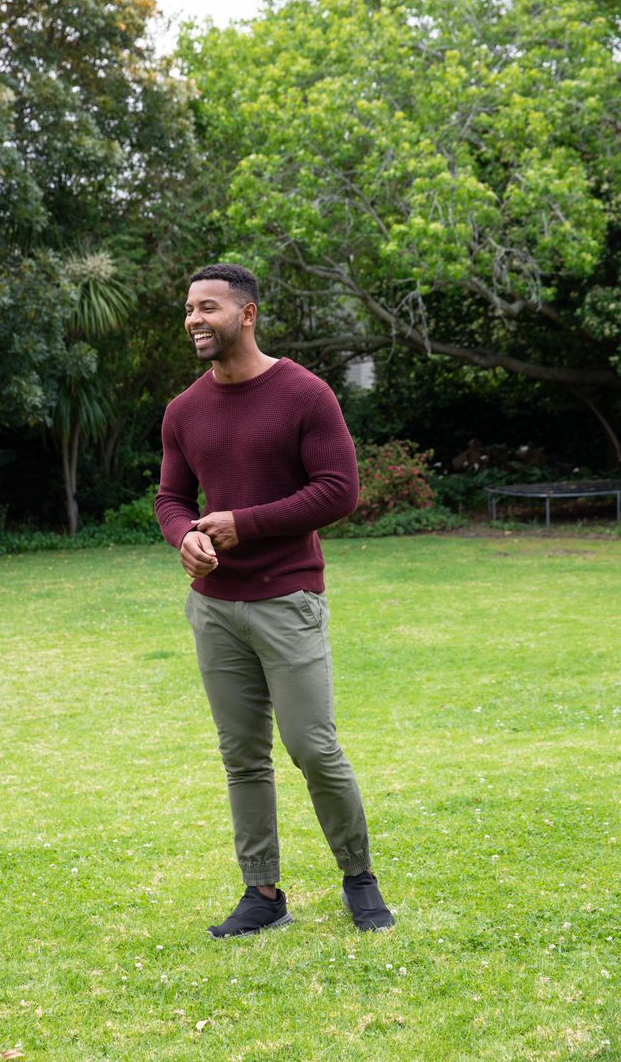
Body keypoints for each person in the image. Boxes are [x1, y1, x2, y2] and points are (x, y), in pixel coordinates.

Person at [155, 263, 394, 938]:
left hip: (288, 598)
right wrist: (184, 536)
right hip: (214, 607)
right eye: (189, 309)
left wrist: (244, 523)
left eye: (207, 307)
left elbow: (338, 491)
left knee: (312, 746)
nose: (194, 320)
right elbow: (171, 497)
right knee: (242, 756)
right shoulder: (184, 410)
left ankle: (359, 878)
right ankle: (262, 894)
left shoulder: (304, 394)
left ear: (247, 314)